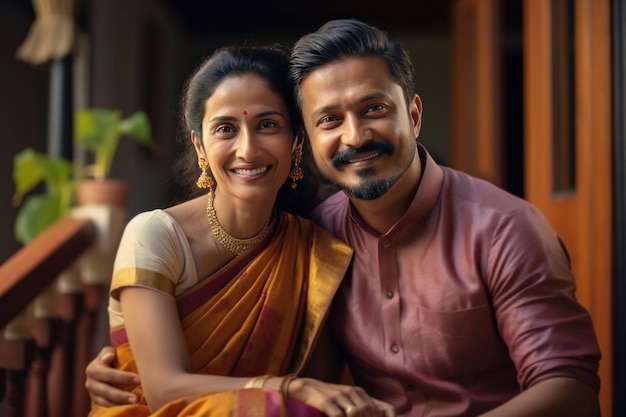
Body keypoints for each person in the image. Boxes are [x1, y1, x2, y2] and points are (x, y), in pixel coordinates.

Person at [86, 20, 602, 417]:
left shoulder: (503, 229)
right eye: (329, 120)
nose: (354, 137)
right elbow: (298, 378)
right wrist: (128, 371)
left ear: (414, 115)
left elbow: (571, 390)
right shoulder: (317, 236)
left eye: (374, 109)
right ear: (307, 140)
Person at [86, 44, 394, 417]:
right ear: (200, 144)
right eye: (225, 129)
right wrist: (287, 387)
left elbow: (323, 389)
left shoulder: (314, 249)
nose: (247, 150)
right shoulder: (156, 236)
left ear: (297, 140)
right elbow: (163, 389)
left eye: (267, 125)